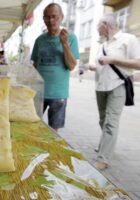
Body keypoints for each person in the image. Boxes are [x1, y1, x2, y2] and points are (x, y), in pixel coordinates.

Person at [89, 14, 140, 170]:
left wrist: (112, 60)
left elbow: (138, 63)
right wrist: (95, 66)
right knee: (102, 120)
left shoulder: (128, 39)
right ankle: (107, 145)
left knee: (111, 122)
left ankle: (103, 159)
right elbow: (103, 65)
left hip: (118, 86)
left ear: (106, 24)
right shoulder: (103, 44)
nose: (97, 29)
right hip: (101, 87)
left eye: (98, 25)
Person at [31, 3, 79, 132]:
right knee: (34, 125)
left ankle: (50, 151)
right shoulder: (39, 40)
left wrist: (65, 44)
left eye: (54, 16)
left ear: (61, 17)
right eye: (47, 17)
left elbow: (72, 66)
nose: (51, 21)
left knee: (54, 131)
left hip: (58, 94)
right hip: (39, 92)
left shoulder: (71, 38)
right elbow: (35, 64)